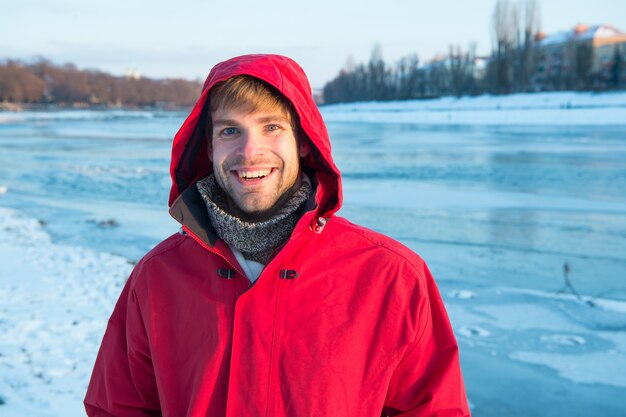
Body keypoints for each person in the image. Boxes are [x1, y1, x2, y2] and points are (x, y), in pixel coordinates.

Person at [85, 54, 470, 417]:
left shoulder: (390, 275)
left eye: (272, 127)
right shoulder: (158, 276)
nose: (250, 151)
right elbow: (117, 407)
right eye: (231, 130)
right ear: (209, 146)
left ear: (303, 141)